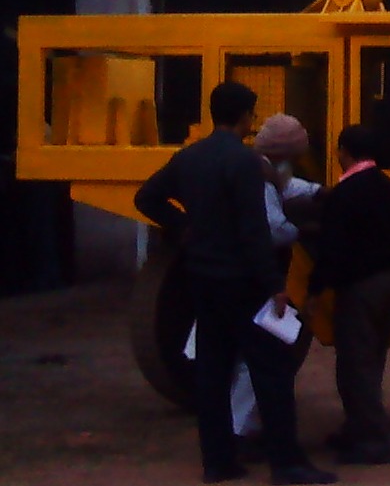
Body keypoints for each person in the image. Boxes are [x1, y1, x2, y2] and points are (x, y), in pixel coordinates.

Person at [135, 81, 337, 486]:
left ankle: (218, 462)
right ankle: (287, 464)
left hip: (203, 278)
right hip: (245, 281)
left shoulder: (190, 158)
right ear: (246, 116)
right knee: (273, 370)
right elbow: (253, 229)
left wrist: (182, 227)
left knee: (212, 371)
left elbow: (146, 198)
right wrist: (273, 284)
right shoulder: (245, 164)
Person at [309, 122, 390, 465]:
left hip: (359, 288)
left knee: (355, 365)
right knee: (371, 360)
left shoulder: (345, 194)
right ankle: (357, 428)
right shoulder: (388, 188)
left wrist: (316, 289)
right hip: (389, 283)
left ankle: (373, 439)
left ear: (342, 153)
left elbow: (332, 249)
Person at [230, 115, 325, 450]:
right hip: (255, 276)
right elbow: (273, 227)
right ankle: (242, 432)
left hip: (238, 274)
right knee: (256, 359)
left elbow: (289, 185)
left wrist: (319, 192)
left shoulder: (265, 168)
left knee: (244, 358)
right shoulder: (261, 179)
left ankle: (242, 428)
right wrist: (303, 231)